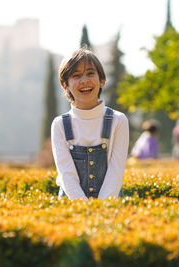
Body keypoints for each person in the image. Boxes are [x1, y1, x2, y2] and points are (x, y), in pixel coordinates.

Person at [51, 47, 129, 200]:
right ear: (64, 84)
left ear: (102, 80)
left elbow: (116, 173)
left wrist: (100, 209)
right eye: (76, 75)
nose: (84, 81)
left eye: (90, 73)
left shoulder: (118, 121)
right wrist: (84, 209)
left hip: (110, 204)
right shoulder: (59, 124)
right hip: (70, 205)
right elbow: (67, 175)